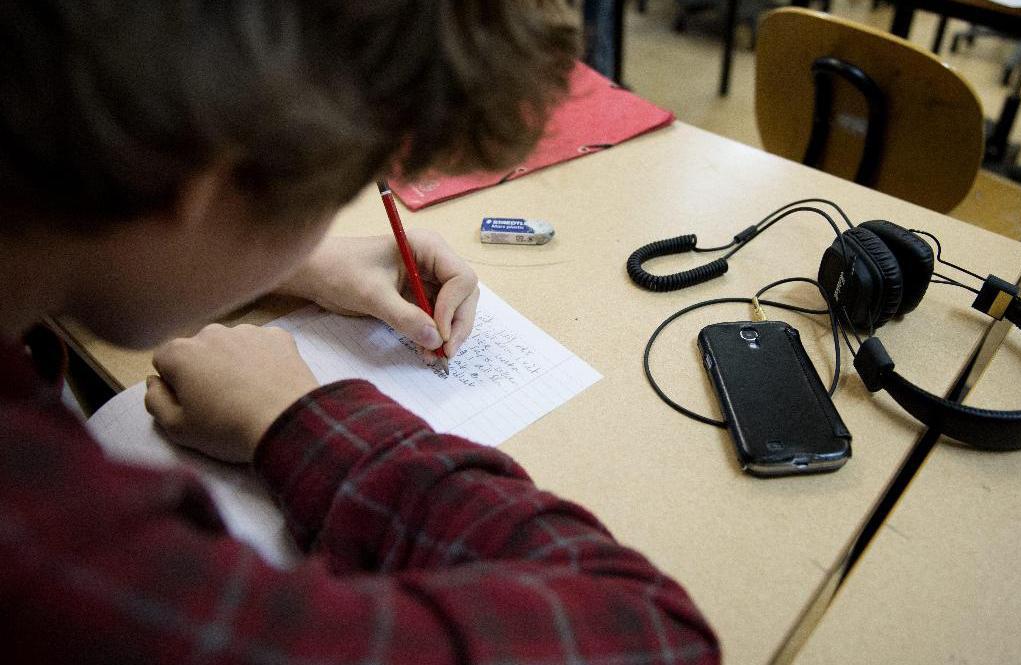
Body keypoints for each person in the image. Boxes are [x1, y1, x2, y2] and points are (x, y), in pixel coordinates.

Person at [0, 1, 720, 663]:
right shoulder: (65, 562)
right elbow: (651, 636)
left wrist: (281, 258)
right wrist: (300, 420)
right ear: (208, 187)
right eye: (334, 196)